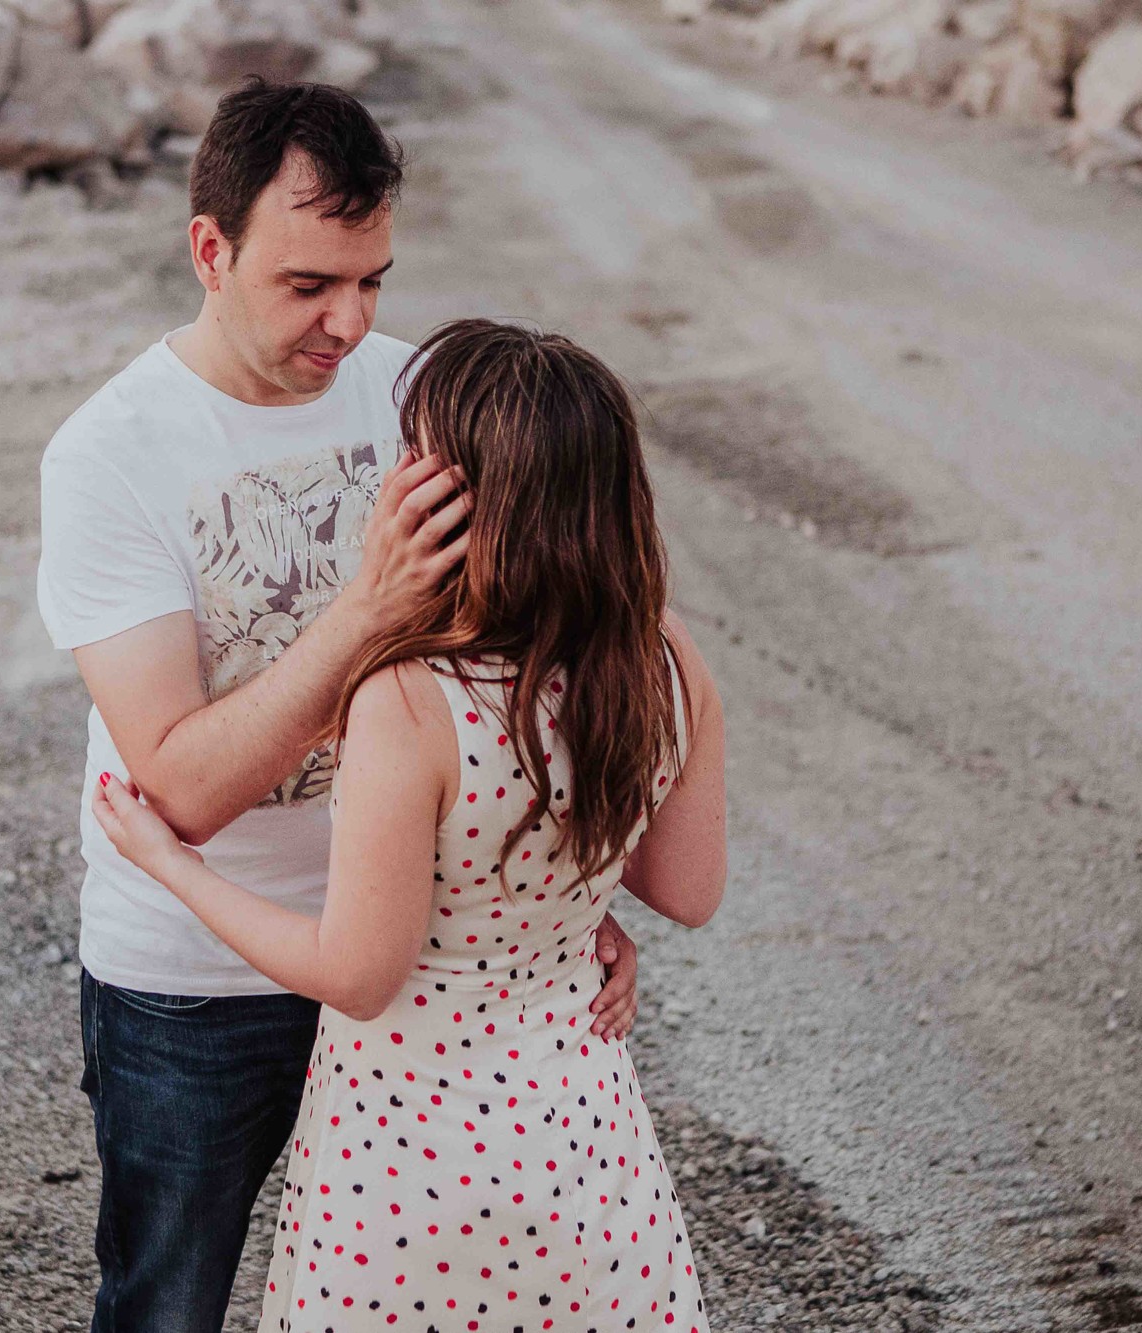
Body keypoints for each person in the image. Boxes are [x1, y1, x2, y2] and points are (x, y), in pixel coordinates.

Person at [35, 83, 644, 1332]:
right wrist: (366, 610)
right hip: (192, 988)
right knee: (168, 1305)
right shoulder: (107, 456)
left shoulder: (418, 390)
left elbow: (533, 665)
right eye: (308, 283)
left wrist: (566, 898)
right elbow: (179, 789)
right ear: (210, 250)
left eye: (371, 280)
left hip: (421, 973)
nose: (350, 322)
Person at [94, 317, 728, 1332]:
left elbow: (357, 973)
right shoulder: (663, 654)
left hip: (409, 1171)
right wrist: (567, 908)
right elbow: (686, 889)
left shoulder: (412, 698)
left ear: (456, 502)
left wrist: (172, 866)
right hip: (585, 1150)